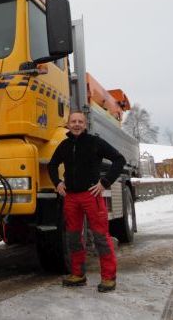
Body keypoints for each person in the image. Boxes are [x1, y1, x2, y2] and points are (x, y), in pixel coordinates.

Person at [48, 111, 126, 292]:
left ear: (85, 124)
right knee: (73, 238)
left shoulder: (95, 142)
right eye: (73, 121)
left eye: (80, 122)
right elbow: (52, 165)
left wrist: (105, 182)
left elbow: (119, 159)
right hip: (71, 198)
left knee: (100, 237)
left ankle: (108, 278)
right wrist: (58, 183)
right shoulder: (64, 145)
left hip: (91, 196)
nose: (76, 124)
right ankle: (78, 275)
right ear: (67, 124)